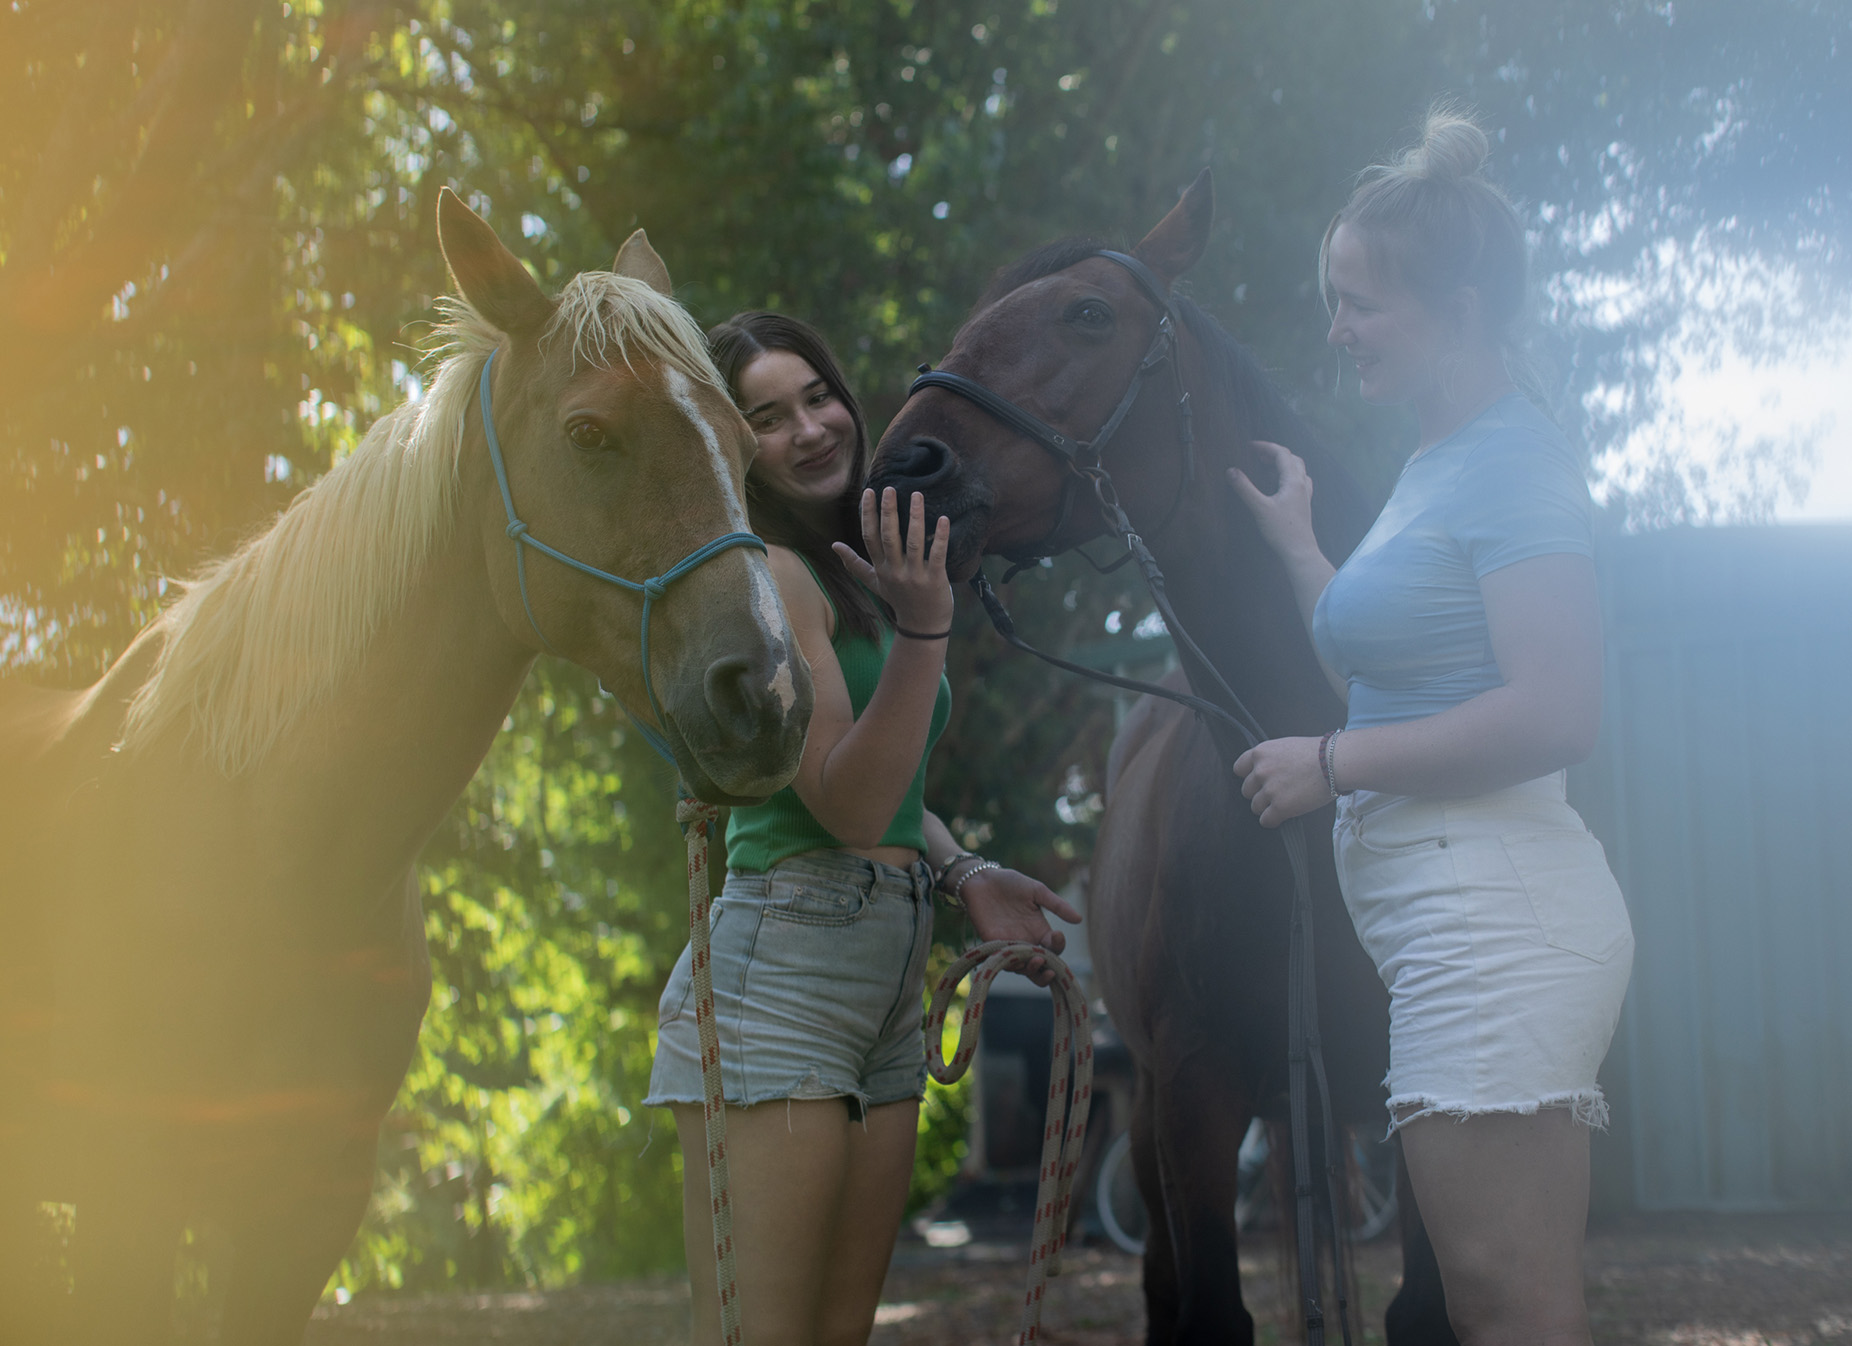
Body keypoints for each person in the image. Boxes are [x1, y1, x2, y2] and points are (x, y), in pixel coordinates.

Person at [1227, 106, 1634, 1346]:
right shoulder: (1436, 457)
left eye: (1360, 302)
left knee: (1510, 1305)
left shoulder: (1513, 462)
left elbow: (1558, 710)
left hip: (1497, 916)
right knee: (1494, 1301)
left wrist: (1331, 764)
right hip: (1453, 917)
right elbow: (1389, 674)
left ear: (1458, 303)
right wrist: (1302, 547)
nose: (1337, 327)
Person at [646, 310, 1080, 1346]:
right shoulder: (768, 574)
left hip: (883, 968)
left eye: (816, 395)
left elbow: (889, 787)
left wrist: (959, 865)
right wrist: (928, 626)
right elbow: (841, 799)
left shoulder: (853, 575)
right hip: (783, 969)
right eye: (764, 416)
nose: (806, 429)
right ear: (730, 443)